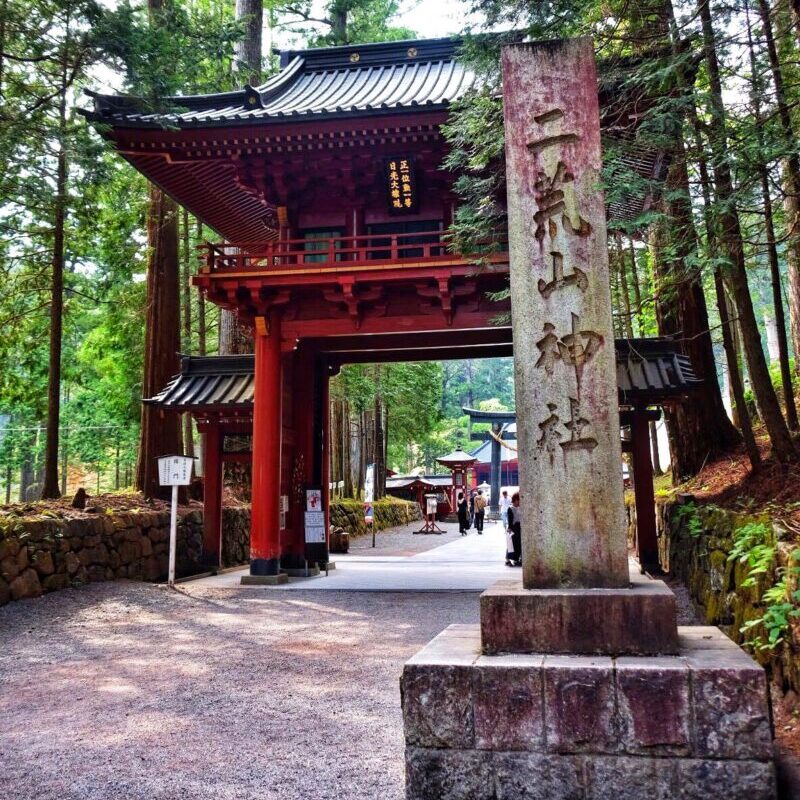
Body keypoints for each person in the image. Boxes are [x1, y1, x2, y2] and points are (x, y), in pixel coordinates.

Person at [505, 492, 522, 567]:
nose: (520, 502)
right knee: (511, 545)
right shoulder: (510, 508)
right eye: (519, 500)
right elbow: (510, 520)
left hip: (519, 527)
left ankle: (516, 560)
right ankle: (507, 560)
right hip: (513, 527)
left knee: (518, 544)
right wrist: (510, 528)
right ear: (515, 500)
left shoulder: (520, 507)